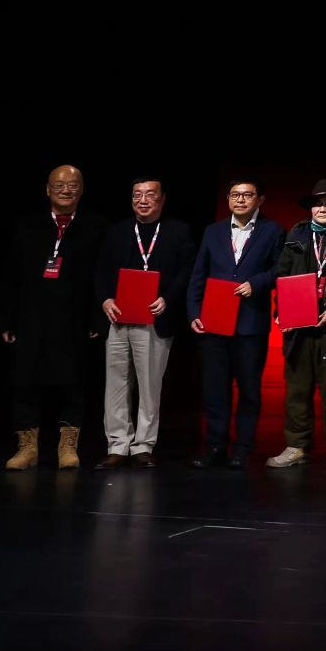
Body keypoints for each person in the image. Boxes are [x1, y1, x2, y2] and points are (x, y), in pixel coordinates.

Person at [1, 165, 105, 470]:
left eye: (72, 185)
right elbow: (10, 276)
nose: (66, 190)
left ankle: (68, 446)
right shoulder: (27, 226)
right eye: (59, 185)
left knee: (74, 381)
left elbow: (103, 277)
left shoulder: (97, 228)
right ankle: (27, 447)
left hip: (74, 319)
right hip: (31, 318)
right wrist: (7, 319)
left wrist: (97, 318)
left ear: (81, 190)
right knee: (25, 382)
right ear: (48, 189)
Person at [92, 177, 193, 469]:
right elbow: (100, 270)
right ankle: (117, 444)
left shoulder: (178, 231)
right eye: (137, 194)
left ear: (162, 198)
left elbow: (187, 269)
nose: (143, 200)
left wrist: (168, 298)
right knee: (116, 384)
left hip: (154, 318)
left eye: (150, 194)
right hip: (119, 316)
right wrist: (105, 299)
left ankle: (143, 446)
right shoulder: (117, 231)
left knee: (150, 386)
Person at [186, 179, 286, 469]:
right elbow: (199, 273)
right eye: (235, 195)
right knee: (215, 389)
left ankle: (243, 448)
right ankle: (215, 446)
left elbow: (281, 268)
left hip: (250, 322)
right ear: (228, 198)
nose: (240, 200)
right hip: (214, 319)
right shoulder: (213, 231)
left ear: (260, 199)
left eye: (247, 195)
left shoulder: (273, 230)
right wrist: (194, 312)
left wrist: (257, 282)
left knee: (249, 390)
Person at [266, 180, 326, 469]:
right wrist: (282, 312)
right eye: (317, 204)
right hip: (299, 327)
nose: (322, 209)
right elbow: (283, 276)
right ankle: (297, 446)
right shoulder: (297, 234)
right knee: (297, 389)